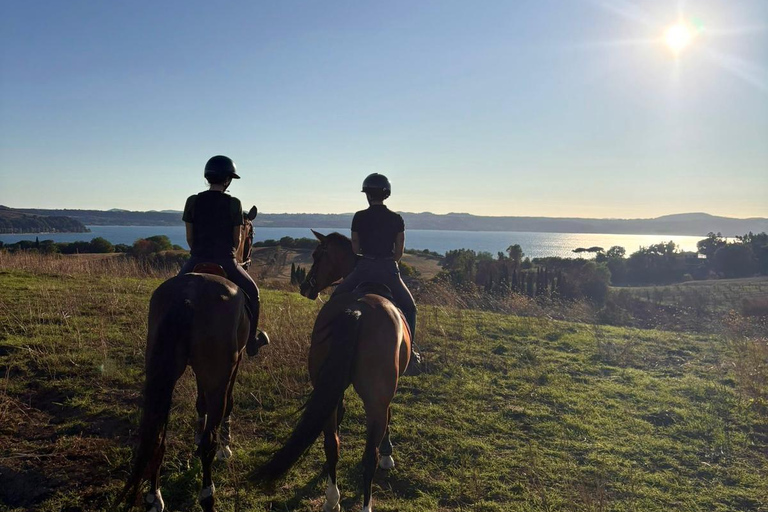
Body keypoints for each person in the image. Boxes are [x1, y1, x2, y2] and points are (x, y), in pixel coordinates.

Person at [179, 155, 267, 357]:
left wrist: (200, 253)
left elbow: (190, 238)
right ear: (227, 180)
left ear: (207, 177)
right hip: (226, 261)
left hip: (196, 259)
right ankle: (252, 342)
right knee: (254, 294)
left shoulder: (192, 201)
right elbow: (237, 240)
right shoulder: (234, 203)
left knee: (172, 291)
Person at [332, 173, 421, 370]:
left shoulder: (359, 217)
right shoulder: (397, 219)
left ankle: (329, 342)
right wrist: (389, 261)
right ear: (386, 194)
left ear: (367, 195)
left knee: (336, 297)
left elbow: (356, 247)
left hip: (364, 268)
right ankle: (410, 355)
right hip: (388, 270)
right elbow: (399, 251)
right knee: (410, 308)